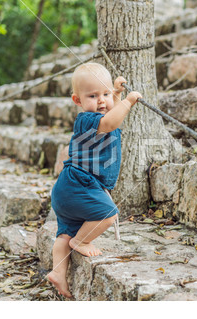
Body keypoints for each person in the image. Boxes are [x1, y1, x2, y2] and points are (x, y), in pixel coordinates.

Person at [46, 62, 142, 298]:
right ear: (77, 100)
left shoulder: (103, 114)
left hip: (69, 189)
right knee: (108, 214)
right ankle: (81, 242)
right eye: (93, 95)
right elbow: (111, 122)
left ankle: (58, 273)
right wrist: (128, 101)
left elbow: (112, 116)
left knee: (64, 234)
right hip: (79, 184)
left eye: (105, 94)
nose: (101, 101)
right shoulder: (86, 120)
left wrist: (117, 95)